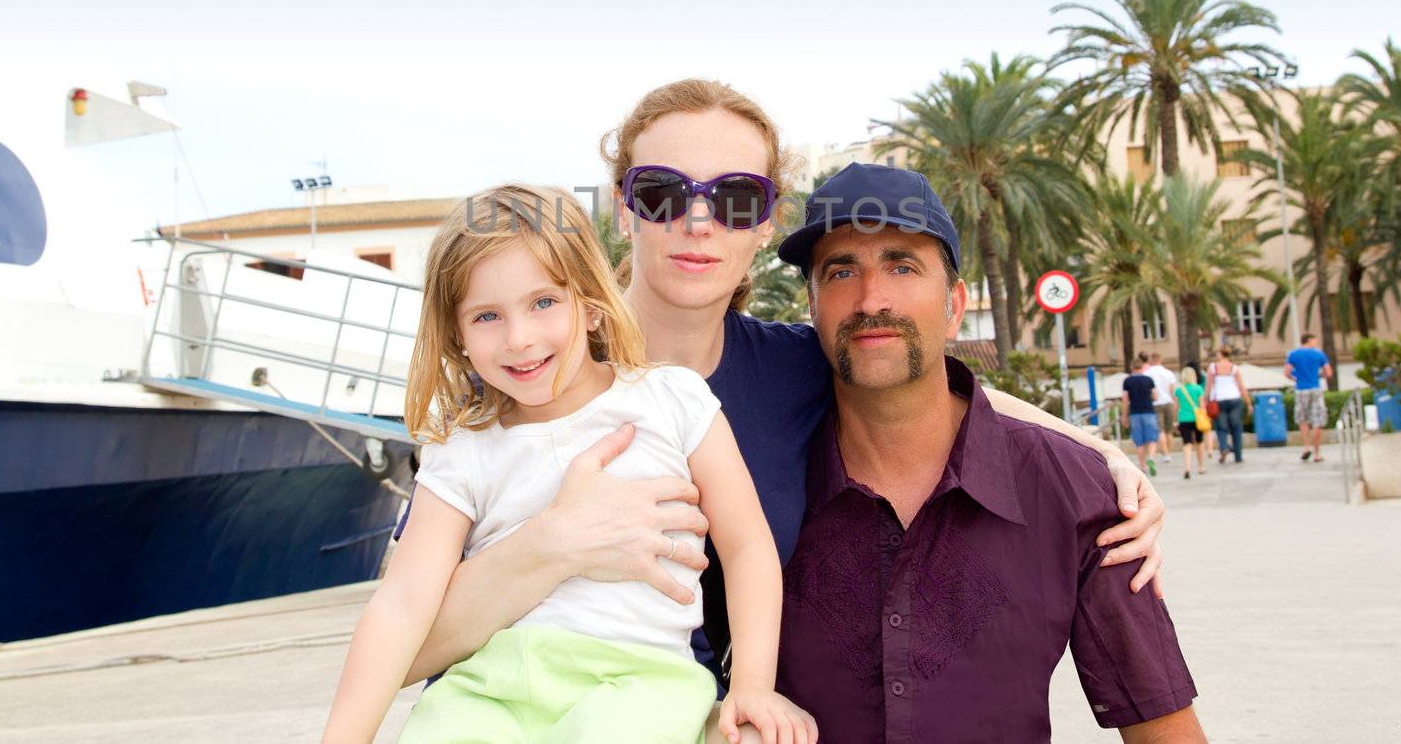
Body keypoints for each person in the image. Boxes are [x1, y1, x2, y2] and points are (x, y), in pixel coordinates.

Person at [393, 80, 1167, 740]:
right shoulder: (519, 381)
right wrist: (553, 544)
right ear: (625, 210)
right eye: (663, 192)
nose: (698, 221)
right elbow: (405, 646)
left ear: (764, 227)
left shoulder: (795, 367)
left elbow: (949, 383)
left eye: (734, 198)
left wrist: (1108, 458)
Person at [323, 184, 816, 744]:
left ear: (589, 304)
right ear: (457, 338)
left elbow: (748, 545)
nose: (520, 338)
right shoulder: (462, 448)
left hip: (637, 680)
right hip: (489, 685)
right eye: (486, 315)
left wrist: (753, 684)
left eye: (543, 302)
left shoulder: (670, 399)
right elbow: (403, 602)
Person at [773, 164, 1202, 741]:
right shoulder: (757, 476)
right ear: (812, 306)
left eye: (902, 265)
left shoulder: (1074, 492)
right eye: (841, 270)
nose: (871, 298)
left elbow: (1163, 728)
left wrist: (1102, 457)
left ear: (954, 306)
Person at [1285, 333, 1333, 462]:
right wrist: (1318, 375)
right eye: (1314, 341)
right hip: (1315, 389)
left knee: (1303, 419)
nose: (1315, 343)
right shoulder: (1319, 354)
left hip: (1301, 389)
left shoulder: (1293, 354)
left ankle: (1307, 447)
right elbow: (1328, 373)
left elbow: (1287, 372)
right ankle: (1317, 454)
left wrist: (1295, 378)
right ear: (1309, 340)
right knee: (1318, 421)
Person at [1208, 346, 1247, 464]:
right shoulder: (1234, 368)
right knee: (1236, 427)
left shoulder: (1213, 367)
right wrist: (1249, 403)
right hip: (1234, 398)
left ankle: (1224, 447)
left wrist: (1206, 401)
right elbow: (1241, 386)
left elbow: (1208, 386)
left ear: (1220, 354)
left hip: (1219, 399)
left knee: (1221, 427)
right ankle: (1238, 456)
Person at [1123, 358, 1161, 478]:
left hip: (1135, 413)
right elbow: (1155, 396)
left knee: (1139, 441)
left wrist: (1124, 415)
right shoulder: (1149, 380)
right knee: (1152, 439)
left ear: (1132, 367)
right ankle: (1151, 457)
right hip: (1148, 411)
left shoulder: (1127, 381)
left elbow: (1125, 399)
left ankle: (1143, 466)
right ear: (1142, 367)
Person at [1143, 351, 1179, 463]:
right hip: (1168, 402)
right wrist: (1175, 403)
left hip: (1155, 403)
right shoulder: (1168, 373)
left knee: (1160, 430)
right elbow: (1173, 390)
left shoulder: (1147, 374)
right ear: (1161, 360)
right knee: (1169, 430)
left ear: (1151, 360)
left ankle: (1166, 453)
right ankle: (1169, 452)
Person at [1174, 366, 1208, 480]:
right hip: (1197, 419)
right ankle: (1201, 466)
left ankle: (1187, 468)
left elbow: (1176, 407)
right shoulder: (1198, 389)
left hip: (1183, 419)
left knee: (1187, 444)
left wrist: (1175, 421)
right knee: (1199, 442)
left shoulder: (1179, 390)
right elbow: (1202, 406)